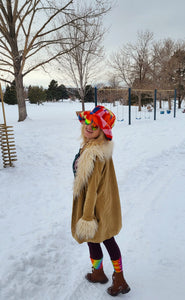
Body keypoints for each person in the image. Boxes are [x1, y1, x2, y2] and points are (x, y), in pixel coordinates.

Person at [72, 105, 130, 296]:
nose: (89, 127)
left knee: (105, 240)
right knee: (96, 240)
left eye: (94, 125)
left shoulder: (94, 154)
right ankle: (98, 272)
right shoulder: (94, 147)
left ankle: (119, 279)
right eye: (87, 121)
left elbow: (92, 189)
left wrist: (87, 216)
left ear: (102, 131)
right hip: (101, 203)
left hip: (95, 206)